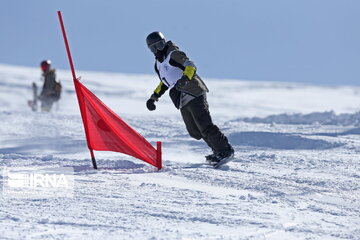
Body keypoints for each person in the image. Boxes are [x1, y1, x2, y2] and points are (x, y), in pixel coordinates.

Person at [145, 32, 234, 165]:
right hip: (180, 97)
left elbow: (190, 65)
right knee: (195, 131)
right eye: (154, 48)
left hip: (193, 91)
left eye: (160, 45)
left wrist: (185, 78)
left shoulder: (173, 53)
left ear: (165, 42)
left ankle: (225, 150)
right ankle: (217, 151)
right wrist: (154, 97)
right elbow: (165, 82)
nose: (158, 49)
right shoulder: (158, 64)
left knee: (204, 124)